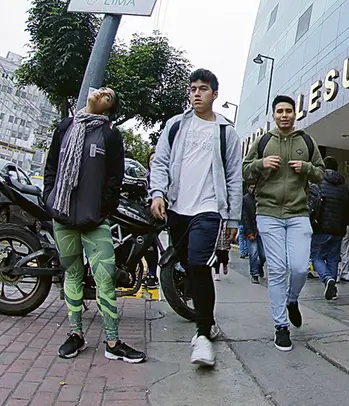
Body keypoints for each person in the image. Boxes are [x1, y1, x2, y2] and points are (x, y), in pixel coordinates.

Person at [44, 87, 146, 364]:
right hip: (63, 217)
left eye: (109, 96)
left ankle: (113, 342)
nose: (101, 93)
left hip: (94, 220)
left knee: (105, 277)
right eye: (102, 90)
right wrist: (50, 197)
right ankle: (75, 334)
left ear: (108, 109)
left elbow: (115, 176)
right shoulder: (66, 126)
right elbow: (51, 166)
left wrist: (103, 209)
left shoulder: (110, 135)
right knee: (73, 274)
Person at [150, 69, 242, 368]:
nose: (196, 94)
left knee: (198, 265)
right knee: (187, 266)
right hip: (177, 208)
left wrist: (232, 219)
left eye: (203, 89)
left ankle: (202, 336)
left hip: (209, 209)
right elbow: (161, 161)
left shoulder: (227, 132)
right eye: (192, 89)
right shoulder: (176, 125)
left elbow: (234, 177)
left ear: (215, 94)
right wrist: (158, 193)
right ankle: (209, 321)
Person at [242, 95, 324, 352]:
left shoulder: (307, 141)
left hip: (299, 213)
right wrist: (260, 163)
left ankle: (292, 301)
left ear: (295, 113)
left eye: (289, 111)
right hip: (268, 213)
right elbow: (244, 169)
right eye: (280, 111)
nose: (285, 115)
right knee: (277, 270)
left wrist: (307, 167)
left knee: (299, 268)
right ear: (274, 115)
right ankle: (281, 326)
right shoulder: (264, 141)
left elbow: (321, 173)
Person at [309, 156, 349, 301]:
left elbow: (311, 204)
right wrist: (347, 223)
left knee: (316, 257)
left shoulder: (318, 183)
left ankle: (327, 279)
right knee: (333, 259)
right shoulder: (343, 187)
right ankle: (332, 290)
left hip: (320, 227)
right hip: (339, 229)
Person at [243, 184, 266, 284]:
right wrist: (249, 233)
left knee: (264, 255)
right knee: (253, 253)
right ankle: (254, 274)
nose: (253, 189)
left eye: (254, 187)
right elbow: (245, 217)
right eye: (251, 187)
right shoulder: (246, 199)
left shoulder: (263, 198)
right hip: (252, 230)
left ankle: (259, 266)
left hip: (263, 230)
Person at [143, 152, 159, 290]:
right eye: (151, 159)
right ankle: (149, 273)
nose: (153, 162)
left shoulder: (162, 178)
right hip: (145, 213)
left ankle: (152, 274)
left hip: (156, 215)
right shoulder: (144, 177)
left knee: (151, 243)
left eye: (156, 159)